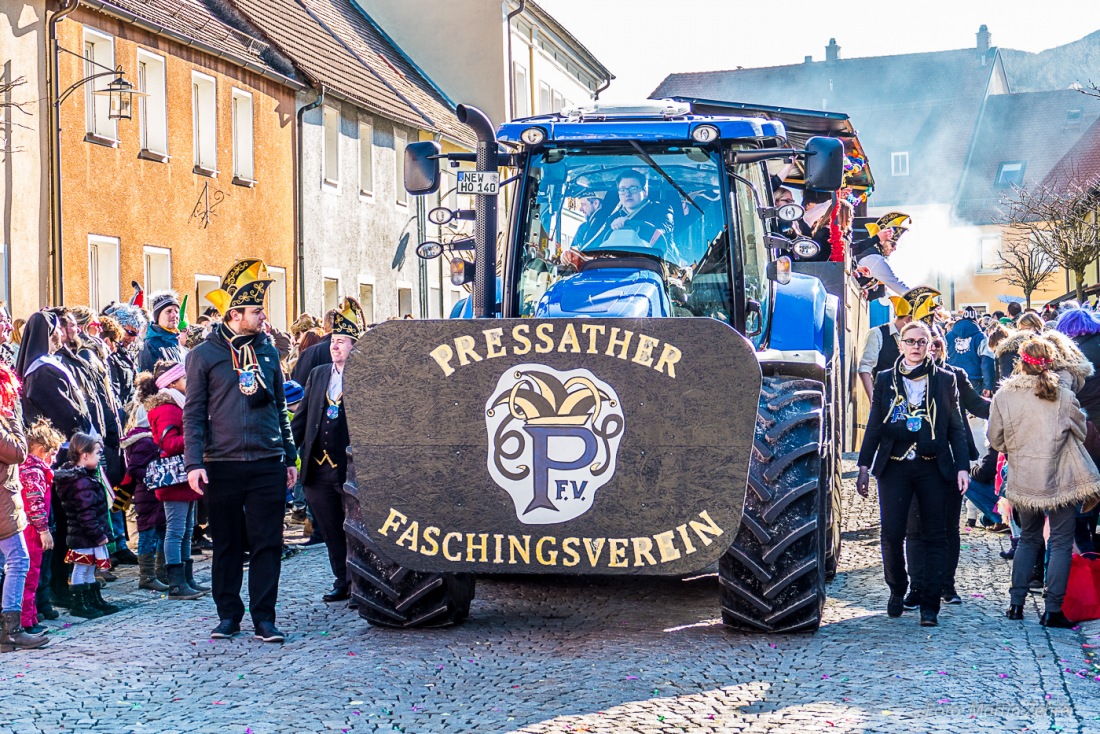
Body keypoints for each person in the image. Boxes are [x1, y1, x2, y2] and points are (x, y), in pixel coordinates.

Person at [183, 260, 297, 643]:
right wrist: (194, 462)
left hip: (267, 460)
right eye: (257, 311)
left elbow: (280, 405)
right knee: (228, 544)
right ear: (236, 314)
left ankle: (265, 617)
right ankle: (229, 614)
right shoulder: (204, 355)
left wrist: (290, 455)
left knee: (269, 542)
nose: (264, 317)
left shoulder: (268, 351)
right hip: (223, 463)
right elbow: (194, 412)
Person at [856, 320, 970, 627]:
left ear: (931, 346)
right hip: (895, 465)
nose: (917, 346)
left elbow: (956, 428)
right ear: (901, 345)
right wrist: (864, 466)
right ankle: (897, 588)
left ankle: (930, 605)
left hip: (933, 465)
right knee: (892, 534)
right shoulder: (884, 379)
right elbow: (875, 426)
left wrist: (962, 467)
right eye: (911, 341)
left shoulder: (945, 380)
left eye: (923, 342)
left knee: (935, 535)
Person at [989, 337, 1100, 627]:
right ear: (1051, 363)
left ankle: (1016, 605)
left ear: (1020, 362)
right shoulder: (1063, 395)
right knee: (1061, 542)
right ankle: (1053, 611)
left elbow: (996, 440)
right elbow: (1078, 430)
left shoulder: (1004, 396)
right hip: (1060, 479)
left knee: (1028, 539)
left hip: (1024, 479)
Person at [904, 333, 991, 609]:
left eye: (933, 343)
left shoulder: (955, 375)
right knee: (915, 527)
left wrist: (1010, 408)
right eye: (915, 342)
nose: (929, 348)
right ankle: (916, 587)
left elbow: (977, 405)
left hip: (951, 460)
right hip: (912, 461)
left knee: (947, 528)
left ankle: (946, 585)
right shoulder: (899, 376)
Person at [292, 297, 363, 603]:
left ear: (354, 346)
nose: (335, 347)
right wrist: (286, 452)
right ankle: (341, 580)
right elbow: (303, 417)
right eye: (333, 341)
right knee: (331, 529)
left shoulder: (362, 379)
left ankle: (361, 582)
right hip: (318, 469)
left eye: (342, 342)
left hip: (348, 470)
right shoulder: (319, 374)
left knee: (355, 531)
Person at [143, 360, 206, 600]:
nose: (189, 383)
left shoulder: (179, 404)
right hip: (174, 478)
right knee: (176, 530)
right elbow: (168, 444)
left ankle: (187, 578)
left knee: (187, 529)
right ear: (172, 382)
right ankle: (177, 583)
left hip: (184, 477)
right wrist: (198, 437)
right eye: (185, 379)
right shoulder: (167, 408)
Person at [0, 365, 45, 652]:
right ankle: (11, 630)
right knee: (19, 560)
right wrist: (13, 416)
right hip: (2, 505)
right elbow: (18, 451)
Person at [54, 432, 119, 619]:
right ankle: (79, 603)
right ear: (85, 455)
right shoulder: (80, 482)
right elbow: (85, 514)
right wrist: (99, 534)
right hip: (83, 535)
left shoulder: (84, 478)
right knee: (81, 567)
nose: (100, 458)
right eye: (97, 453)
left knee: (90, 567)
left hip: (86, 533)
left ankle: (93, 599)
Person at [120, 390, 167, 592]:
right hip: (148, 495)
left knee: (157, 532)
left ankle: (159, 571)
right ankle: (147, 575)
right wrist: (153, 477)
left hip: (150, 494)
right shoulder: (146, 442)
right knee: (148, 534)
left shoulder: (143, 440)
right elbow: (135, 469)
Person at [18, 418, 62, 636]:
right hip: (32, 530)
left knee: (32, 575)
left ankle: (32, 616)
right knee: (30, 575)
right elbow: (35, 503)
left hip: (31, 528)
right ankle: (26, 621)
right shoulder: (33, 471)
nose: (54, 460)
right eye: (53, 454)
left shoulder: (30, 468)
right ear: (43, 450)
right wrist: (43, 530)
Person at [857, 288, 936, 401]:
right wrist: (873, 401)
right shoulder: (877, 334)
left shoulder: (917, 338)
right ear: (909, 319)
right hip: (888, 401)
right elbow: (865, 368)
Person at [853, 212, 912, 298]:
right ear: (882, 241)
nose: (894, 248)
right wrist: (917, 299)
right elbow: (896, 284)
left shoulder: (871, 253)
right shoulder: (875, 259)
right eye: (893, 244)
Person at [138, 291, 184, 372]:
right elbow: (149, 380)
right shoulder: (150, 345)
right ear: (158, 316)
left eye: (176, 312)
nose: (174, 315)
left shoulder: (180, 345)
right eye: (168, 311)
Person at [946, 306, 988, 395]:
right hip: (974, 378)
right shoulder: (980, 337)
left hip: (952, 377)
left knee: (954, 406)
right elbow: (987, 361)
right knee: (973, 407)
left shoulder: (949, 335)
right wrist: (988, 385)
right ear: (976, 319)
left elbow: (943, 357)